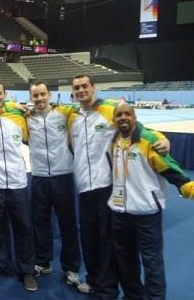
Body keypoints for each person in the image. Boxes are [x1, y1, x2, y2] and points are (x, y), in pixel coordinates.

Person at [68, 74, 170, 298]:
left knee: (107, 242)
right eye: (77, 88)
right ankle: (93, 280)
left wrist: (161, 138)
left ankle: (108, 288)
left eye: (85, 86)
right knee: (89, 238)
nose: (81, 90)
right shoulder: (71, 116)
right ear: (73, 92)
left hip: (107, 186)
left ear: (94, 87)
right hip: (84, 187)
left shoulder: (110, 109)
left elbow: (137, 127)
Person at [109, 103, 194, 300]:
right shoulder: (112, 139)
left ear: (135, 116)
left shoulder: (149, 139)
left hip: (146, 213)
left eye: (127, 114)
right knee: (126, 261)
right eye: (119, 115)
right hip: (120, 213)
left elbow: (172, 169)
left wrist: (188, 187)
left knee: (152, 262)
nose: (123, 118)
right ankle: (133, 296)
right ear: (113, 120)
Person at [0, 81, 37, 292]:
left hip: (18, 182)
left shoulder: (19, 117)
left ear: (5, 94)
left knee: (24, 228)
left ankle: (28, 271)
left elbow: (31, 137)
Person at [27, 80, 81, 287]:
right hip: (39, 177)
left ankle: (72, 267)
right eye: (35, 96)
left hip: (64, 175)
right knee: (40, 223)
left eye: (42, 94)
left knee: (68, 224)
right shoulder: (27, 118)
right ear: (31, 98)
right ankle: (43, 261)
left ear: (49, 94)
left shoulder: (66, 114)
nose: (39, 99)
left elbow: (94, 108)